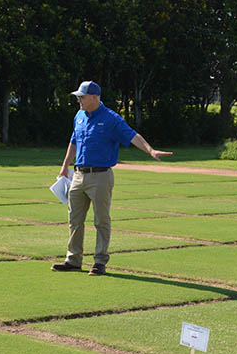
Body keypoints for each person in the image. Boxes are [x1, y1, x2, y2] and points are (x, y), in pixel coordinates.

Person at [51, 81, 172, 276]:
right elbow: (73, 141)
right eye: (78, 97)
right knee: (74, 220)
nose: (79, 100)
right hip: (78, 175)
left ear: (94, 97)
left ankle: (99, 262)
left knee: (101, 221)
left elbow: (132, 136)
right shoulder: (79, 116)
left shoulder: (112, 119)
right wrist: (65, 166)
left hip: (100, 176)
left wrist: (150, 150)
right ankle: (73, 260)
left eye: (82, 97)